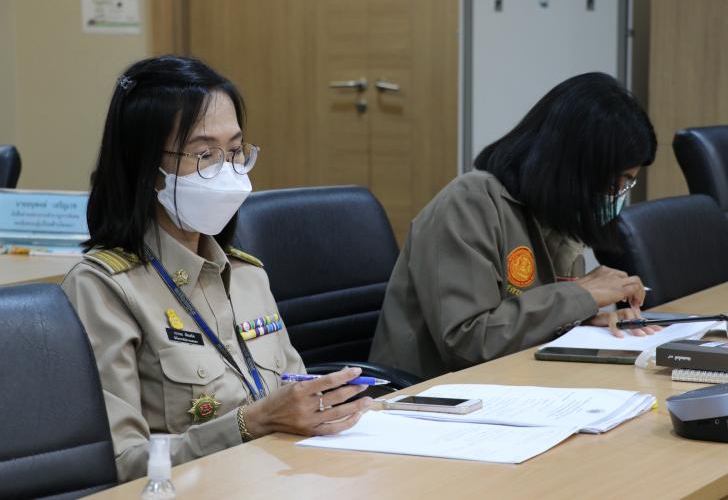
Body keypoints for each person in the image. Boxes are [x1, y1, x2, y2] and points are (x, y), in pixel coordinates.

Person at [62, 56, 372, 482]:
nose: (226, 171)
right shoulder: (104, 289)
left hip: (282, 480)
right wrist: (249, 424)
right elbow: (121, 464)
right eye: (204, 154)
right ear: (145, 167)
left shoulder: (247, 275)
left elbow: (295, 397)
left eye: (235, 151)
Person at [369, 72, 660, 380]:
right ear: (570, 165)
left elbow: (528, 322)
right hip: (429, 394)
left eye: (626, 184)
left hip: (513, 385)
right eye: (612, 183)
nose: (616, 196)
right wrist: (579, 295)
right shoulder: (470, 202)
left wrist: (581, 321)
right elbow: (468, 343)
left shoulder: (554, 215)